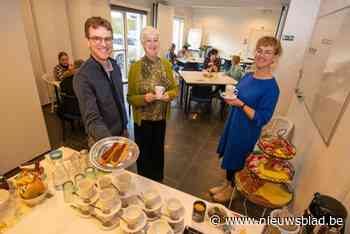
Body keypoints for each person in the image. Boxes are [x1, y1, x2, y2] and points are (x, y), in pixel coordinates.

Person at [210, 36, 282, 203]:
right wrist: (231, 96)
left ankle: (232, 191)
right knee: (229, 155)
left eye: (268, 52)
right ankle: (226, 184)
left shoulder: (272, 88)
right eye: (259, 50)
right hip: (234, 123)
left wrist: (241, 104)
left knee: (237, 159)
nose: (262, 55)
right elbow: (238, 93)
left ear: (275, 58)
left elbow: (262, 118)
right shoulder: (249, 76)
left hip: (246, 130)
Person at [127, 26, 178, 182]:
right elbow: (130, 97)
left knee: (158, 153)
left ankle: (158, 182)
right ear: (143, 43)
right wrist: (144, 98)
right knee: (143, 154)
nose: (152, 44)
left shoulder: (166, 65)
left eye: (155, 40)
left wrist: (168, 96)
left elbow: (175, 89)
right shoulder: (135, 67)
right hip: (142, 121)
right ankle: (143, 182)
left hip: (160, 119)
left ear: (159, 42)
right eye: (148, 40)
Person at [73, 16, 128, 146]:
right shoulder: (82, 76)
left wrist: (124, 127)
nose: (104, 44)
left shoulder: (115, 66)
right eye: (97, 38)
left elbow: (119, 100)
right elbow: (92, 120)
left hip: (121, 133)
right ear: (88, 41)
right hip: (102, 140)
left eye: (107, 39)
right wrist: (111, 143)